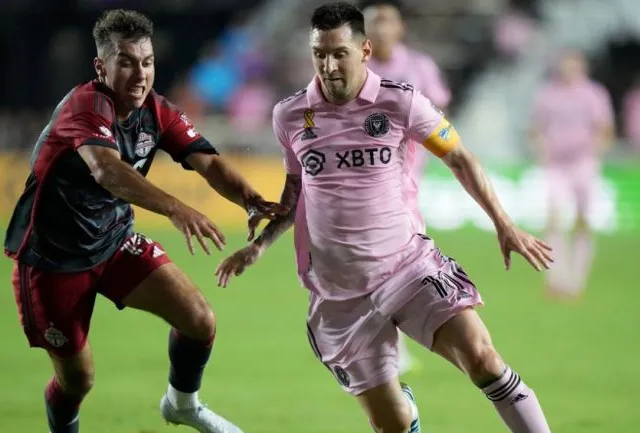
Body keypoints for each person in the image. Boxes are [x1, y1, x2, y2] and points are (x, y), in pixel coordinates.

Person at [216, 3, 553, 433]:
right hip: (338, 296)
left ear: (365, 50)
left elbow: (461, 158)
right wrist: (259, 245)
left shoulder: (400, 100)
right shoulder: (291, 115)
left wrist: (503, 223)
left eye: (339, 53)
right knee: (393, 423)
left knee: (484, 360)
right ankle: (403, 410)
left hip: (407, 268)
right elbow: (296, 191)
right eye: (319, 53)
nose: (328, 64)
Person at [3, 10, 285, 433]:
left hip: (114, 243)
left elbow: (208, 162)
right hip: (53, 260)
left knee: (199, 319)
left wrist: (250, 199)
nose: (140, 74)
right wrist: (175, 207)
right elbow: (107, 171)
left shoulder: (157, 111)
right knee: (78, 380)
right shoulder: (84, 107)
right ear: (102, 66)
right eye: (127, 62)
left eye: (147, 62)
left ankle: (182, 405)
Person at [360, 0, 451, 375]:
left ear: (399, 29)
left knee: (399, 261)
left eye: (386, 22)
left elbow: (439, 114)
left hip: (410, 179)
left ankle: (393, 342)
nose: (380, 29)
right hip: (366, 181)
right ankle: (389, 343)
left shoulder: (419, 67)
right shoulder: (356, 67)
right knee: (381, 262)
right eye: (373, 23)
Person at [531, 49, 614, 300]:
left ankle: (577, 279)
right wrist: (541, 150)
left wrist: (594, 153)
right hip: (556, 165)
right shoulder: (547, 95)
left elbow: (605, 129)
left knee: (581, 220)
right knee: (554, 218)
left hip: (583, 163)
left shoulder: (593, 94)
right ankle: (558, 278)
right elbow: (536, 129)